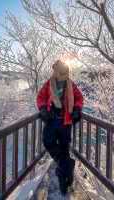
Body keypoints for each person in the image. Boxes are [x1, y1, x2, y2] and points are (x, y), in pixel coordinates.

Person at [36, 60, 83, 195]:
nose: (64, 75)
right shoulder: (49, 84)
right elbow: (41, 97)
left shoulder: (70, 84)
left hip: (65, 121)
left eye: (65, 72)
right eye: (61, 72)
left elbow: (79, 98)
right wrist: (43, 108)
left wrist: (77, 109)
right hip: (52, 120)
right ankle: (67, 165)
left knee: (64, 147)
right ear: (56, 72)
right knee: (48, 142)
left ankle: (64, 182)